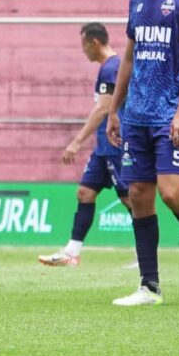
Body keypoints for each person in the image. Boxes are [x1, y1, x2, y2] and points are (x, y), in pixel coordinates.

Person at [105, 0, 179, 306]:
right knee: (140, 195)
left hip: (170, 115)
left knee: (172, 192)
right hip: (137, 115)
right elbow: (128, 56)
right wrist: (115, 109)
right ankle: (149, 287)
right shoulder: (137, 0)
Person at [39, 22, 130, 267]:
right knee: (85, 193)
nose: (83, 51)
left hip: (115, 144)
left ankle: (144, 256)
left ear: (95, 43)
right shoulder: (107, 67)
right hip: (102, 147)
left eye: (84, 46)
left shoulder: (112, 67)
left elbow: (102, 109)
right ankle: (72, 252)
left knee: (130, 199)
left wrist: (77, 142)